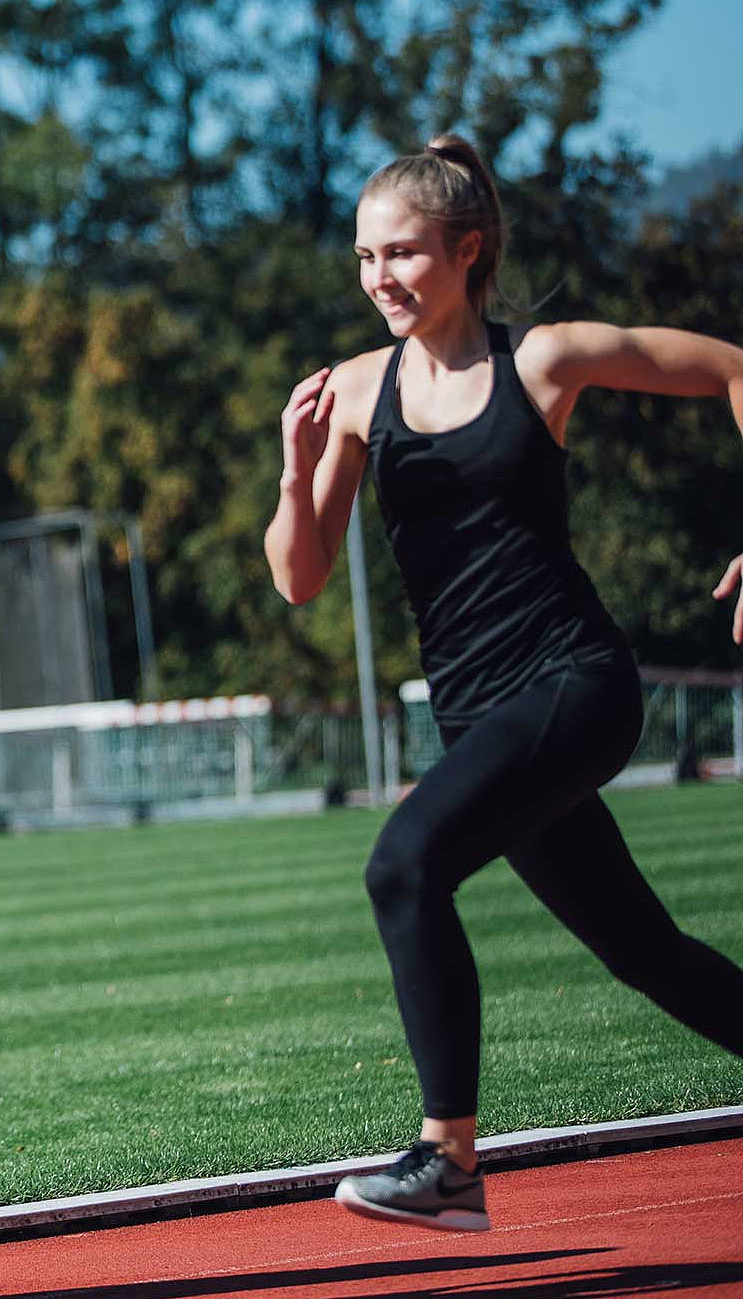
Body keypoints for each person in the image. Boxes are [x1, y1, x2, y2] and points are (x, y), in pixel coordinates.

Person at [265, 136, 743, 1232]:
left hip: (575, 682)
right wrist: (295, 472)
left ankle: (449, 1159)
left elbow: (732, 366)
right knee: (646, 952)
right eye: (365, 257)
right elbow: (299, 577)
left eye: (402, 253)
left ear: (467, 249)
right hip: (480, 715)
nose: (380, 277)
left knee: (404, 864)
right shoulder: (356, 391)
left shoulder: (543, 361)